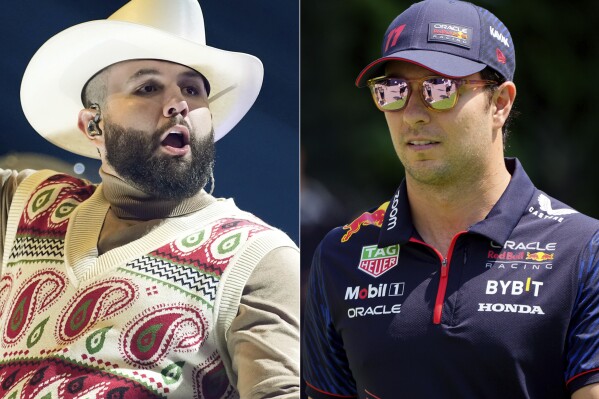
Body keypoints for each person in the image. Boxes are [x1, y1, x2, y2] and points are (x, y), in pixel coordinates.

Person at [0, 0, 300, 398]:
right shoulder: (23, 201)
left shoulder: (258, 258)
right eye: (148, 87)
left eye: (192, 90)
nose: (179, 104)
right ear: (94, 124)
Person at [302, 1, 599, 398]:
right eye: (393, 90)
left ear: (500, 103)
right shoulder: (341, 255)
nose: (413, 114)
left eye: (439, 89)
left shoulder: (583, 250)